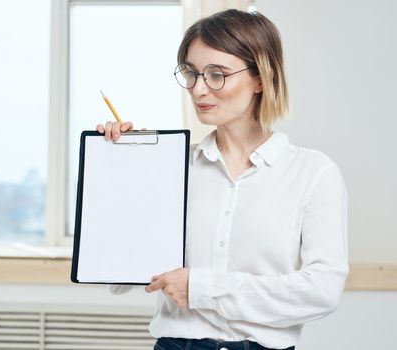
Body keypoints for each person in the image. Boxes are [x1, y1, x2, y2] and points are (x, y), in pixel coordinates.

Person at [96, 9, 348, 350]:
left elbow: (321, 291)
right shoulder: (171, 167)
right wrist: (124, 171)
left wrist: (201, 289)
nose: (198, 88)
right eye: (191, 72)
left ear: (261, 78)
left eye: (217, 74)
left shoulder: (313, 173)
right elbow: (117, 278)